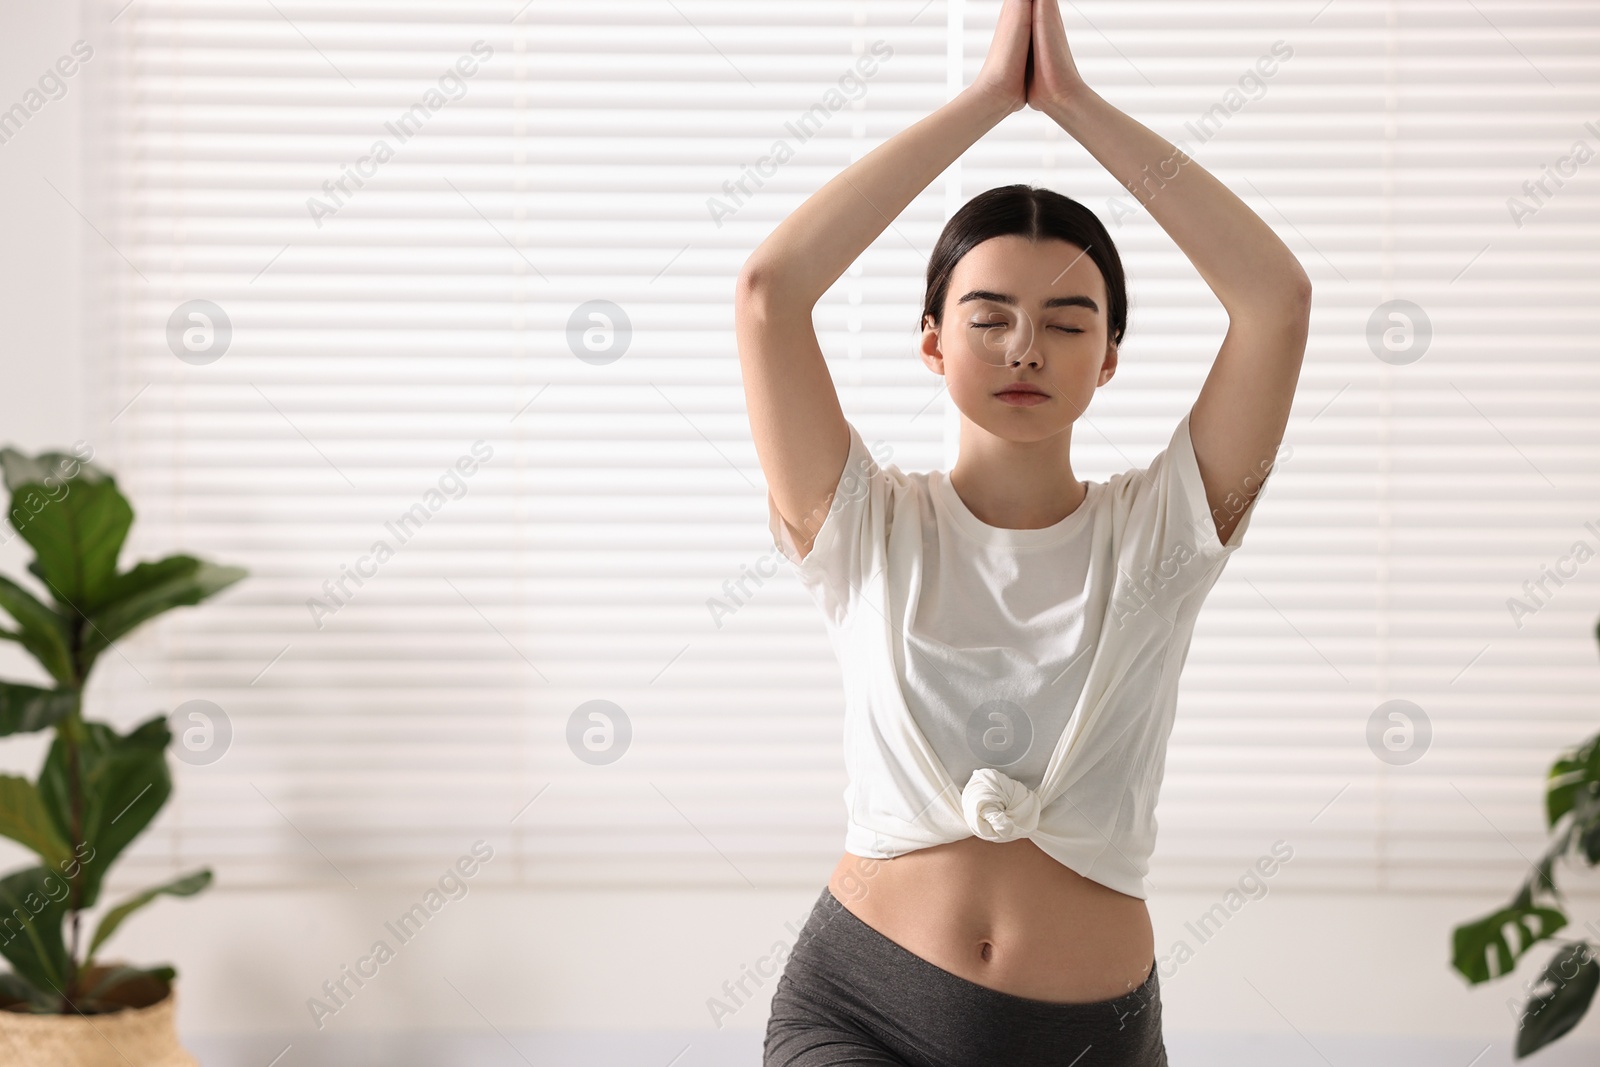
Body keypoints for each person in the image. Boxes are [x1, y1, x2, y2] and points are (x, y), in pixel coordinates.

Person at [736, 1, 1311, 1063]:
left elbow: (1273, 299)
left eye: (1065, 321)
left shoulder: (1161, 537)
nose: (1022, 349)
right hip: (860, 1007)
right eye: (987, 315)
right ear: (931, 342)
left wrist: (1076, 107)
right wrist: (986, 102)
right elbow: (771, 295)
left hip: (1095, 1036)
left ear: (1109, 359)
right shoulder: (866, 524)